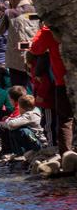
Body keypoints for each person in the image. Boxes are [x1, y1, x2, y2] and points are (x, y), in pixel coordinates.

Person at [30, 24, 72, 153]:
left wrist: (43, 27)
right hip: (65, 79)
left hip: (62, 80)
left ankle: (66, 156)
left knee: (65, 119)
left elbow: (35, 48)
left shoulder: (49, 30)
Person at [0, 0, 38, 90]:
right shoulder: (36, 10)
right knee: (36, 88)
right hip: (34, 55)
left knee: (19, 90)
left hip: (16, 59)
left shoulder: (11, 13)